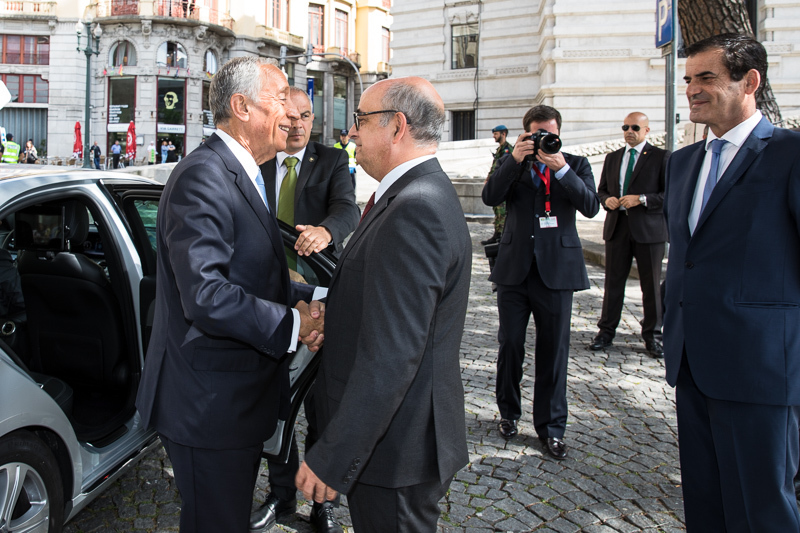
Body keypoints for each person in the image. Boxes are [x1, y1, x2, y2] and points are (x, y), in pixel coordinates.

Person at [135, 56, 326, 533]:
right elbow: (207, 294)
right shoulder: (204, 175)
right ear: (242, 107)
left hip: (231, 403)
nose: (292, 112)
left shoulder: (247, 171)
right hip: (208, 408)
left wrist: (313, 296)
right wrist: (295, 324)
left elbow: (252, 274)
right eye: (280, 99)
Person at [295, 77, 472, 532]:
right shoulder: (416, 193)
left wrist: (334, 455)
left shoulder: (415, 207)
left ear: (397, 126)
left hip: (396, 451)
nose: (352, 132)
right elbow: (393, 303)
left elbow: (393, 355)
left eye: (361, 119)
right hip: (395, 444)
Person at [663, 33, 800, 532]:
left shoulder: (790, 154)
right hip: (690, 363)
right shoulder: (681, 163)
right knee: (706, 506)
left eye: (706, 77)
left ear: (750, 82)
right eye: (688, 79)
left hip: (761, 369)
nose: (691, 90)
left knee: (763, 512)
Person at [249, 86, 358, 533]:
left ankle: (323, 502)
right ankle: (281, 494)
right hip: (267, 298)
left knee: (321, 407)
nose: (297, 124)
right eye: (290, 115)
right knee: (276, 402)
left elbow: (348, 210)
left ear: (314, 119)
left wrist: (326, 232)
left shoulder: (331, 160)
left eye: (306, 115)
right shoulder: (257, 160)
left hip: (318, 299)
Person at [482, 105, 599, 458]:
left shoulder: (575, 164)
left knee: (554, 350)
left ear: (559, 133)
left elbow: (591, 206)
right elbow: (490, 197)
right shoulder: (514, 164)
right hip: (514, 270)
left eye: (549, 134)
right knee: (510, 345)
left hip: (557, 272)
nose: (543, 140)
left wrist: (561, 168)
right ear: (525, 134)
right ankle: (508, 413)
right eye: (536, 135)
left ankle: (552, 428)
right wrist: (513, 160)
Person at [591, 112, 669, 358]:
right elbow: (602, 190)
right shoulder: (613, 157)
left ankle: (653, 336)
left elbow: (669, 194)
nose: (629, 132)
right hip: (617, 227)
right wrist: (607, 200)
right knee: (613, 284)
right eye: (625, 127)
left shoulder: (662, 157)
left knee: (651, 286)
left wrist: (642, 199)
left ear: (646, 130)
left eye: (635, 127)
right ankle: (605, 333)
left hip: (649, 230)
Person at [480, 125, 514, 246]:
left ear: (503, 134)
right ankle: (497, 235)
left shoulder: (508, 150)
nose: (494, 136)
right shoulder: (500, 149)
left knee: (502, 212)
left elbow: (505, 170)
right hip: (495, 184)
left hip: (502, 186)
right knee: (498, 211)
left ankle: (501, 236)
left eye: (496, 134)